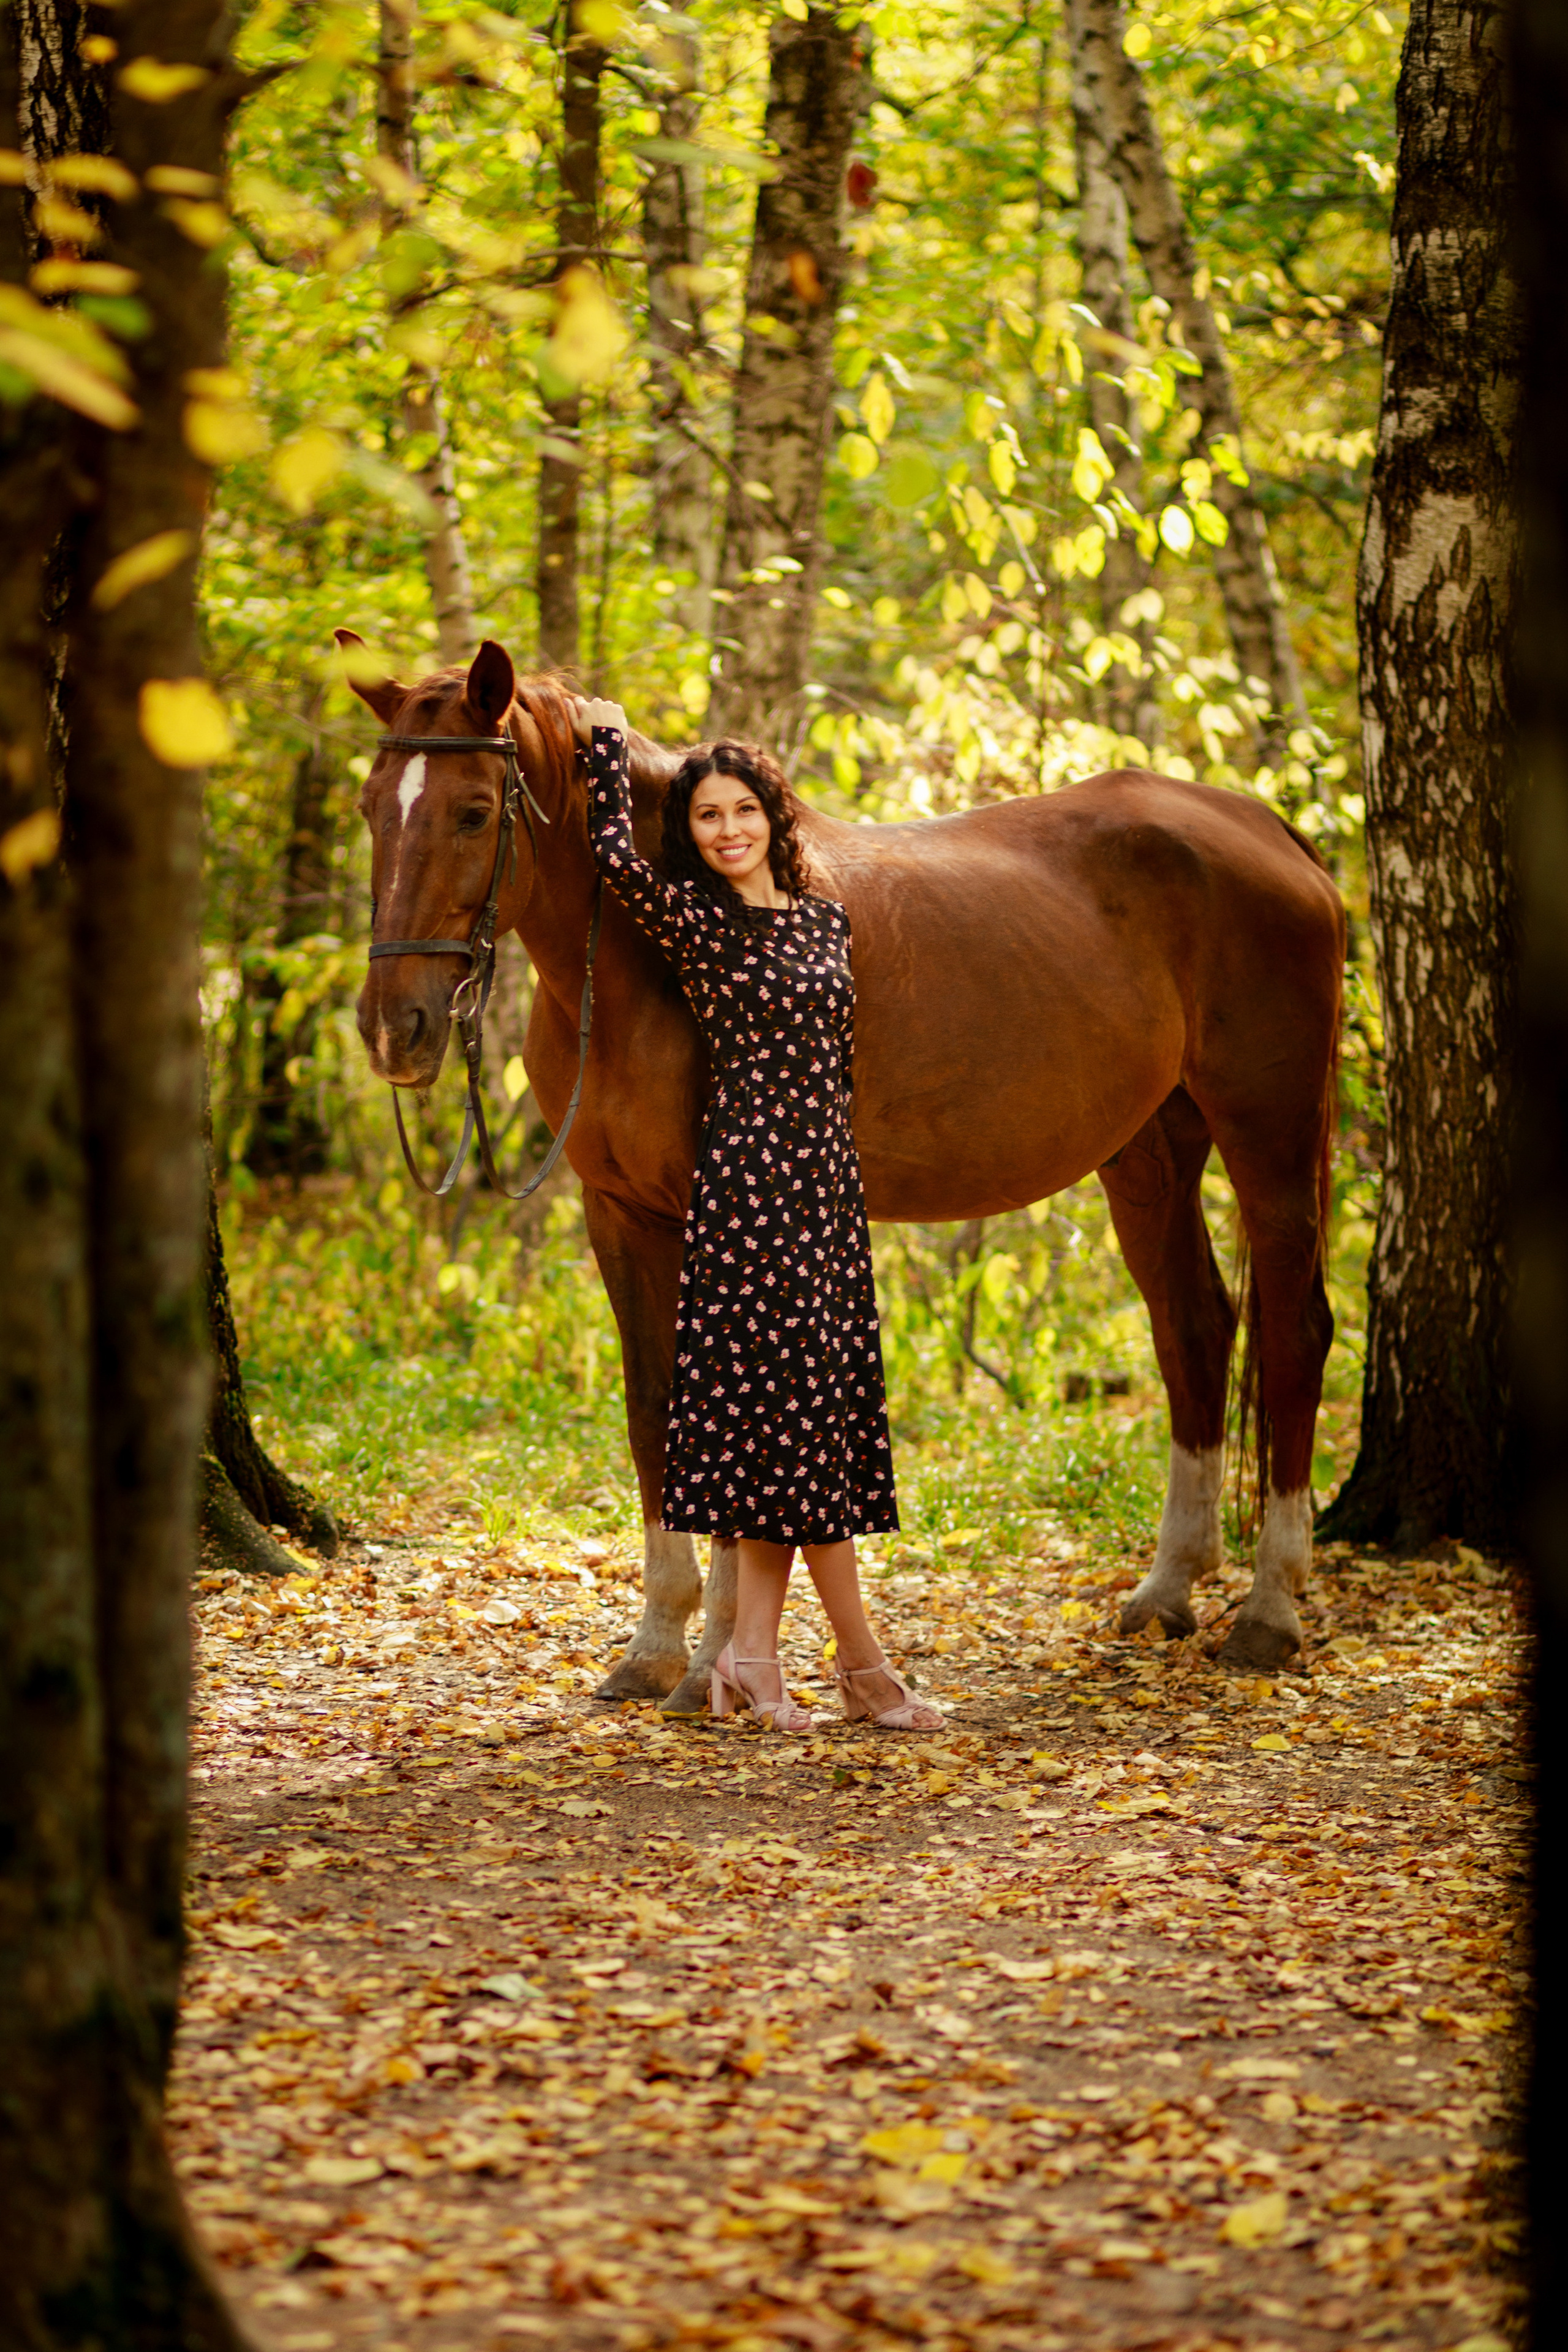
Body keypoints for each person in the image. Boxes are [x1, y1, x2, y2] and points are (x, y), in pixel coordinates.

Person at [575, 696, 942, 1736]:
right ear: (689, 836)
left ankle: (751, 1658)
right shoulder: (698, 920)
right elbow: (609, 857)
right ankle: (864, 1667)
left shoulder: (826, 918)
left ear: (773, 817)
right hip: (750, 1195)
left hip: (825, 1195)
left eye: (742, 810)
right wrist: (608, 744)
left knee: (797, 1441)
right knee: (797, 1440)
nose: (727, 830)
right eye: (706, 818)